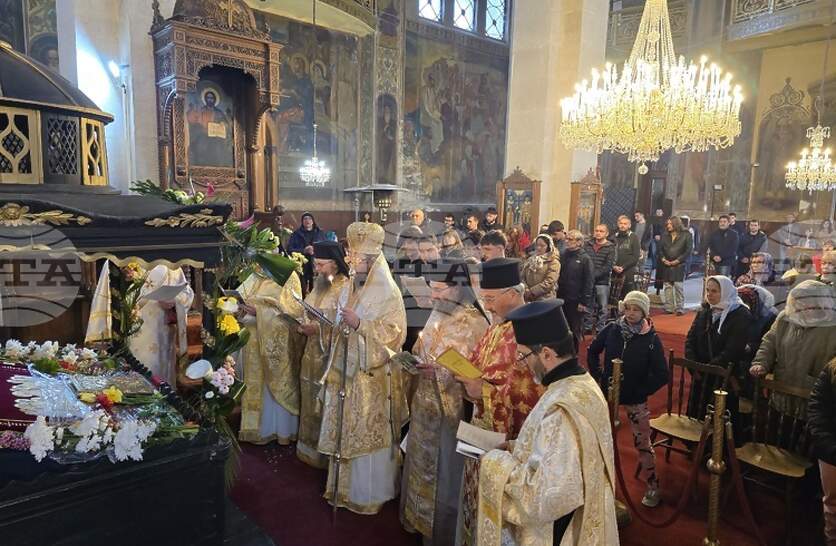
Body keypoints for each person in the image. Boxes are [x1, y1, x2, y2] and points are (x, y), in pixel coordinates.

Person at [478, 299, 618, 546]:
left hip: (560, 531)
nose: (521, 363)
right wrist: (513, 447)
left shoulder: (561, 410)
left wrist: (494, 462)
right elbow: (556, 452)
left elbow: (543, 498)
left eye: (523, 355)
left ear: (546, 354)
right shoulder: (581, 383)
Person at [318, 222, 408, 514]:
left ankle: (367, 493)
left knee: (366, 431)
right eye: (351, 256)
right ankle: (341, 488)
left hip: (371, 377)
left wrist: (360, 324)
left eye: (358, 259)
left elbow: (394, 334)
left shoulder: (388, 291)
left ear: (373, 260)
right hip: (346, 370)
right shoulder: (350, 283)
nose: (352, 263)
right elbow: (340, 318)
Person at [454, 258, 544, 546]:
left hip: (507, 443)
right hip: (479, 430)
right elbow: (479, 364)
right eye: (484, 299)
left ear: (513, 293)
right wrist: (465, 376)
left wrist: (483, 391)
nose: (487, 306)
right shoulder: (497, 327)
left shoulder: (532, 330)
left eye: (491, 299)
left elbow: (532, 394)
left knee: (497, 517)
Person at [400, 260, 491, 546]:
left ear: (458, 288)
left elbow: (479, 377)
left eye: (440, 289)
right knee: (420, 464)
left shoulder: (476, 323)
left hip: (452, 416)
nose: (434, 295)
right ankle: (418, 521)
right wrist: (415, 361)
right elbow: (423, 347)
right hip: (424, 407)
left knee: (446, 475)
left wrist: (440, 373)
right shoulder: (438, 311)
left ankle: (441, 532)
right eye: (433, 288)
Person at [587, 290, 668, 508]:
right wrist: (599, 375)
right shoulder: (612, 329)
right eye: (628, 308)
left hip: (635, 397)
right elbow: (592, 350)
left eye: (636, 310)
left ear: (644, 313)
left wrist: (641, 390)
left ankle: (652, 484)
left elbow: (662, 374)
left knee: (643, 442)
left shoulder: (651, 338)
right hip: (608, 393)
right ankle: (596, 481)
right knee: (598, 437)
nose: (631, 313)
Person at [295, 241, 350, 468]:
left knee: (324, 401)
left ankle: (324, 453)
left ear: (335, 264)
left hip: (330, 358)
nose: (316, 269)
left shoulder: (346, 287)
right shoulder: (320, 284)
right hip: (311, 352)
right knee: (309, 396)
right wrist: (302, 322)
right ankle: (307, 447)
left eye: (321, 264)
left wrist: (317, 329)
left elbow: (344, 325)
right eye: (315, 264)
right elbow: (306, 308)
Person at [749, 280, 836, 419]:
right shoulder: (785, 318)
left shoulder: (832, 326)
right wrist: (761, 363)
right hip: (782, 390)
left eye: (809, 304)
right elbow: (769, 343)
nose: (803, 308)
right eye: (799, 303)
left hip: (813, 399)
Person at [237, 267, 305, 444]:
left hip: (274, 343)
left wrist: (259, 312)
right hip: (252, 339)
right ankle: (256, 430)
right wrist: (239, 308)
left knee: (272, 386)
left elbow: (293, 314)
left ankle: (280, 430)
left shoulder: (288, 275)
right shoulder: (255, 275)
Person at [684, 275, 751, 420]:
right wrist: (693, 365)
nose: (709, 294)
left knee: (719, 419)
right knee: (697, 416)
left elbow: (734, 348)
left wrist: (709, 368)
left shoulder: (740, 313)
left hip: (723, 376)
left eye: (714, 291)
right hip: (701, 375)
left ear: (725, 291)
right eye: (707, 290)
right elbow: (691, 339)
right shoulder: (705, 310)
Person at [129, 264, 194, 386]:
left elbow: (186, 292)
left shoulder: (171, 265)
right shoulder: (129, 262)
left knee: (162, 377)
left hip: (163, 331)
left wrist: (175, 301)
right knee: (139, 376)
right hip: (136, 331)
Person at [807, 357, 836, 546]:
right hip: (832, 450)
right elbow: (817, 409)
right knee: (833, 508)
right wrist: (829, 447)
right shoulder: (832, 369)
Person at [557, 230, 594, 348]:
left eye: (570, 239)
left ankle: (574, 352)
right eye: (566, 239)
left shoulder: (585, 259)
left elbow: (588, 282)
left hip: (576, 299)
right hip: (561, 296)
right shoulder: (563, 255)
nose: (567, 241)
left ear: (579, 242)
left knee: (574, 328)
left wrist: (584, 302)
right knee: (561, 326)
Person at [585, 224, 617, 334]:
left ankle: (600, 328)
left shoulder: (610, 247)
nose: (598, 233)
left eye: (601, 231)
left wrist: (593, 275)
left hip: (602, 281)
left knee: (602, 307)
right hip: (588, 281)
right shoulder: (588, 245)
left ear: (606, 234)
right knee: (588, 304)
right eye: (597, 230)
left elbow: (608, 266)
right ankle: (588, 326)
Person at [658, 216, 693, 315]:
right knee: (668, 286)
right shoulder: (665, 235)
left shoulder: (686, 234)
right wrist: (663, 259)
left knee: (678, 286)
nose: (668, 226)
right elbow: (660, 249)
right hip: (666, 264)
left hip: (679, 265)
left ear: (676, 224)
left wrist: (678, 260)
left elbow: (688, 250)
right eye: (667, 224)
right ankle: (669, 307)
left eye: (670, 224)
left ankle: (680, 308)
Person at [288, 212, 326, 293]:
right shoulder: (296, 234)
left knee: (316, 290)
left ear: (313, 221)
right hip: (301, 265)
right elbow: (290, 249)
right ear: (302, 222)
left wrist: (314, 250)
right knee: (302, 288)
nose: (307, 220)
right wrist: (304, 250)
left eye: (309, 219)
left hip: (316, 264)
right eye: (305, 219)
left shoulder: (320, 233)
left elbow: (325, 247)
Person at [521, 234, 560, 302]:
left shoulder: (553, 262)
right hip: (528, 297)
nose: (538, 248)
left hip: (545, 299)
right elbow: (522, 276)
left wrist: (532, 292)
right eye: (537, 245)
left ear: (548, 247)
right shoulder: (530, 259)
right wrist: (526, 289)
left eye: (542, 246)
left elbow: (549, 281)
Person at [613, 215, 641, 296]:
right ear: (618, 224)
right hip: (614, 269)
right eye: (621, 223)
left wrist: (623, 267)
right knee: (612, 295)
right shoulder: (613, 237)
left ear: (629, 225)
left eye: (625, 224)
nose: (622, 225)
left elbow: (635, 257)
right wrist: (614, 266)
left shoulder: (634, 237)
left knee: (626, 294)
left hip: (628, 270)